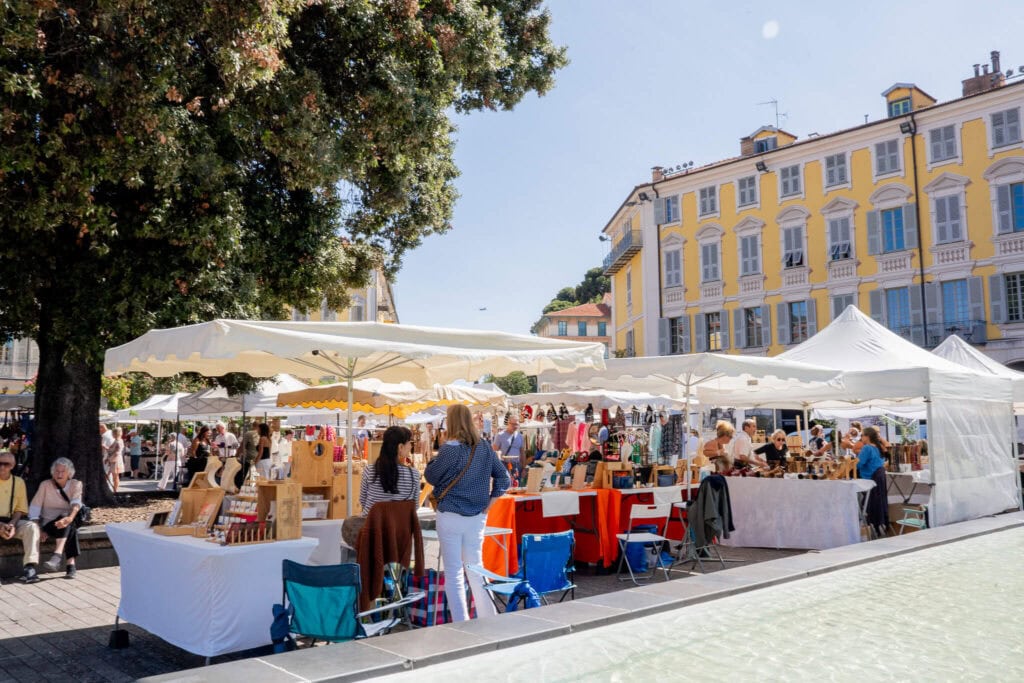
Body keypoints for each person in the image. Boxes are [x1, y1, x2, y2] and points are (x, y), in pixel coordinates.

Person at [425, 404, 510, 622]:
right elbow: (504, 478)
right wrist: (490, 503)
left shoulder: (449, 449)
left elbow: (431, 477)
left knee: (454, 572)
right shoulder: (483, 447)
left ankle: (462, 622)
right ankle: (488, 618)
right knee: (476, 567)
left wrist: (434, 458)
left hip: (451, 514)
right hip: (477, 516)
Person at [341, 426, 420, 548]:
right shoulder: (413, 474)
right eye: (409, 443)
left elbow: (362, 500)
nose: (411, 446)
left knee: (348, 523)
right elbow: (414, 507)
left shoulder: (369, 470)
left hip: (370, 532)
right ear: (400, 447)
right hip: (399, 533)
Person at [29, 457, 83, 579]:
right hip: (49, 523)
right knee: (70, 526)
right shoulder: (45, 485)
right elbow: (34, 508)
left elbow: (76, 503)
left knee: (68, 523)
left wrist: (69, 518)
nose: (59, 474)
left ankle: (57, 557)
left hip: (67, 520)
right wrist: (39, 528)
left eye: (62, 471)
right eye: (56, 471)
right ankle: (69, 564)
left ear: (69, 473)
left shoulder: (76, 484)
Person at [0, 450, 41, 582]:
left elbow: (20, 509)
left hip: (11, 520)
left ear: (12, 466)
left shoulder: (18, 483)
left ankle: (30, 567)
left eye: (6, 464)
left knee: (31, 527)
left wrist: (12, 524)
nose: (2, 467)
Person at [858, 426, 890, 535]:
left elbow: (859, 464)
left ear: (867, 437)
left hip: (868, 481)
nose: (861, 437)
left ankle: (863, 523)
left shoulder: (867, 448)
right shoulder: (878, 447)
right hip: (877, 481)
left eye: (862, 435)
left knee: (856, 498)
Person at [105, 426, 126, 492]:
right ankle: (113, 489)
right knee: (109, 475)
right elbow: (112, 450)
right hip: (113, 459)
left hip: (115, 460)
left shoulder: (118, 441)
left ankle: (115, 490)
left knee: (115, 476)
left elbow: (116, 452)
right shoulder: (117, 441)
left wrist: (109, 459)